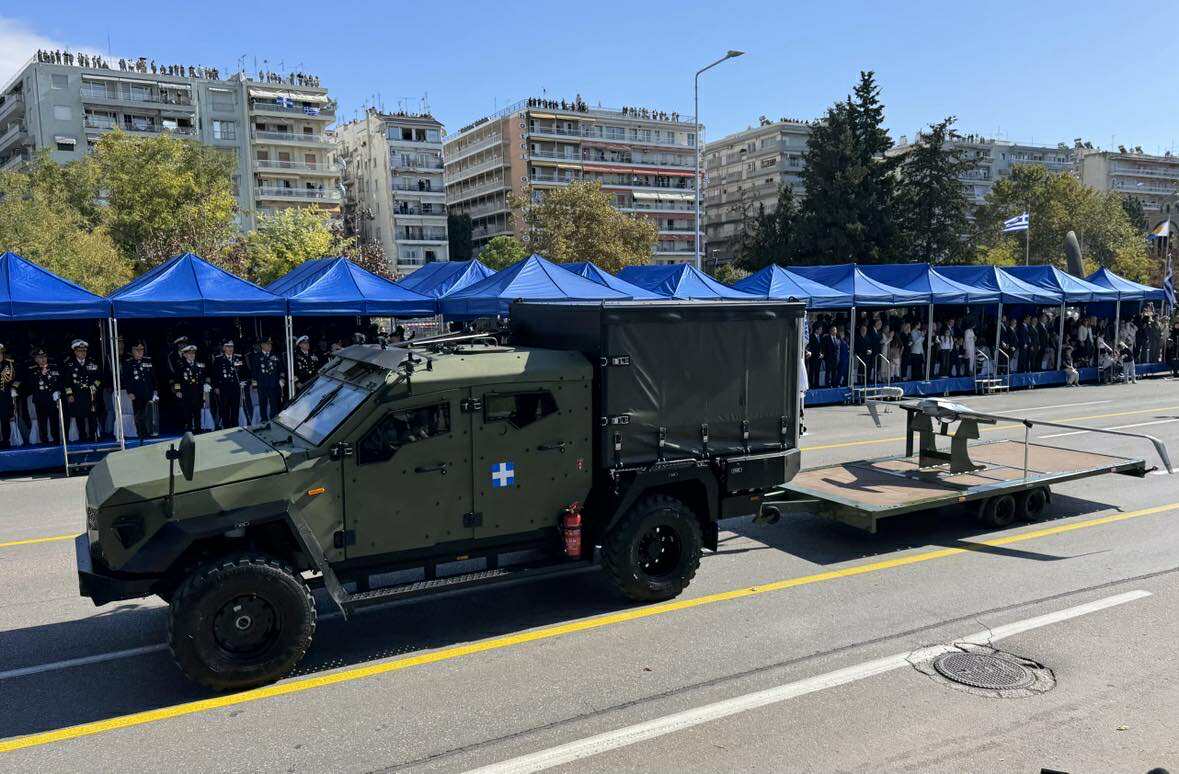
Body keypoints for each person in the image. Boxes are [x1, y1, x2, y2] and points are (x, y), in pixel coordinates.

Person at [63, 340, 102, 442]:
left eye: (84, 350)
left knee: (92, 416)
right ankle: (83, 437)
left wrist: (94, 388)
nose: (83, 353)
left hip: (90, 394)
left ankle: (93, 436)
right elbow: (66, 382)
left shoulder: (92, 362)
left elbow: (99, 378)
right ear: (75, 352)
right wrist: (69, 394)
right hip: (77, 395)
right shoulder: (70, 365)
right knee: (79, 417)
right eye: (80, 351)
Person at [120, 341, 158, 439]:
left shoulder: (148, 361)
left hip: (148, 391)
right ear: (133, 351)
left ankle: (151, 432)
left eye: (141, 350)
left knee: (150, 413)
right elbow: (126, 379)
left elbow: (153, 377)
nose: (140, 352)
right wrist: (130, 392)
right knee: (139, 414)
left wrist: (155, 389)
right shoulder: (128, 363)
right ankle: (141, 433)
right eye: (137, 350)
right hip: (136, 393)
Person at [27, 349, 62, 444]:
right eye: (40, 357)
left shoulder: (54, 367)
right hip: (40, 400)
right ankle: (44, 441)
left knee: (54, 420)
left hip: (52, 399)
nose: (43, 359)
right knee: (42, 422)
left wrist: (58, 391)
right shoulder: (32, 369)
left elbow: (60, 381)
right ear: (36, 359)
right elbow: (30, 384)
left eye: (44, 357)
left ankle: (56, 440)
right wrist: (41, 374)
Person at [211, 340, 247, 430]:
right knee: (224, 409)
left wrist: (243, 381)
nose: (230, 349)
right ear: (224, 348)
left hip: (235, 388)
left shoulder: (238, 358)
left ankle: (235, 427)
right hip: (223, 389)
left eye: (232, 347)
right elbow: (214, 375)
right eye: (228, 347)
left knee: (235, 409)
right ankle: (226, 428)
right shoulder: (218, 359)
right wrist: (216, 387)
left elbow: (244, 372)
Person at [172, 344, 207, 433]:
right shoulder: (181, 366)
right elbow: (177, 380)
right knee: (188, 413)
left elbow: (202, 379)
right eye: (189, 354)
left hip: (197, 393)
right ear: (185, 355)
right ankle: (189, 430)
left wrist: (205, 387)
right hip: (186, 393)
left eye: (193, 354)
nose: (192, 355)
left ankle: (198, 430)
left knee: (197, 413)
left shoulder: (199, 365)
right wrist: (178, 391)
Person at [249, 337, 284, 422]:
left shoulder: (276, 355)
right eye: (268, 344)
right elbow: (254, 373)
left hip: (274, 385)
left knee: (274, 406)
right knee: (263, 405)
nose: (270, 345)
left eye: (270, 344)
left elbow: (282, 369)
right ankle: (263, 421)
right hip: (262, 385)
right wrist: (255, 386)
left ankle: (274, 421)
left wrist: (282, 379)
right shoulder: (256, 357)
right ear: (262, 345)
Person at [0, 343, 17, 448]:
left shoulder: (9, 364)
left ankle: (6, 441)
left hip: (5, 397)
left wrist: (14, 388)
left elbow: (16, 379)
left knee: (5, 419)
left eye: (1, 353)